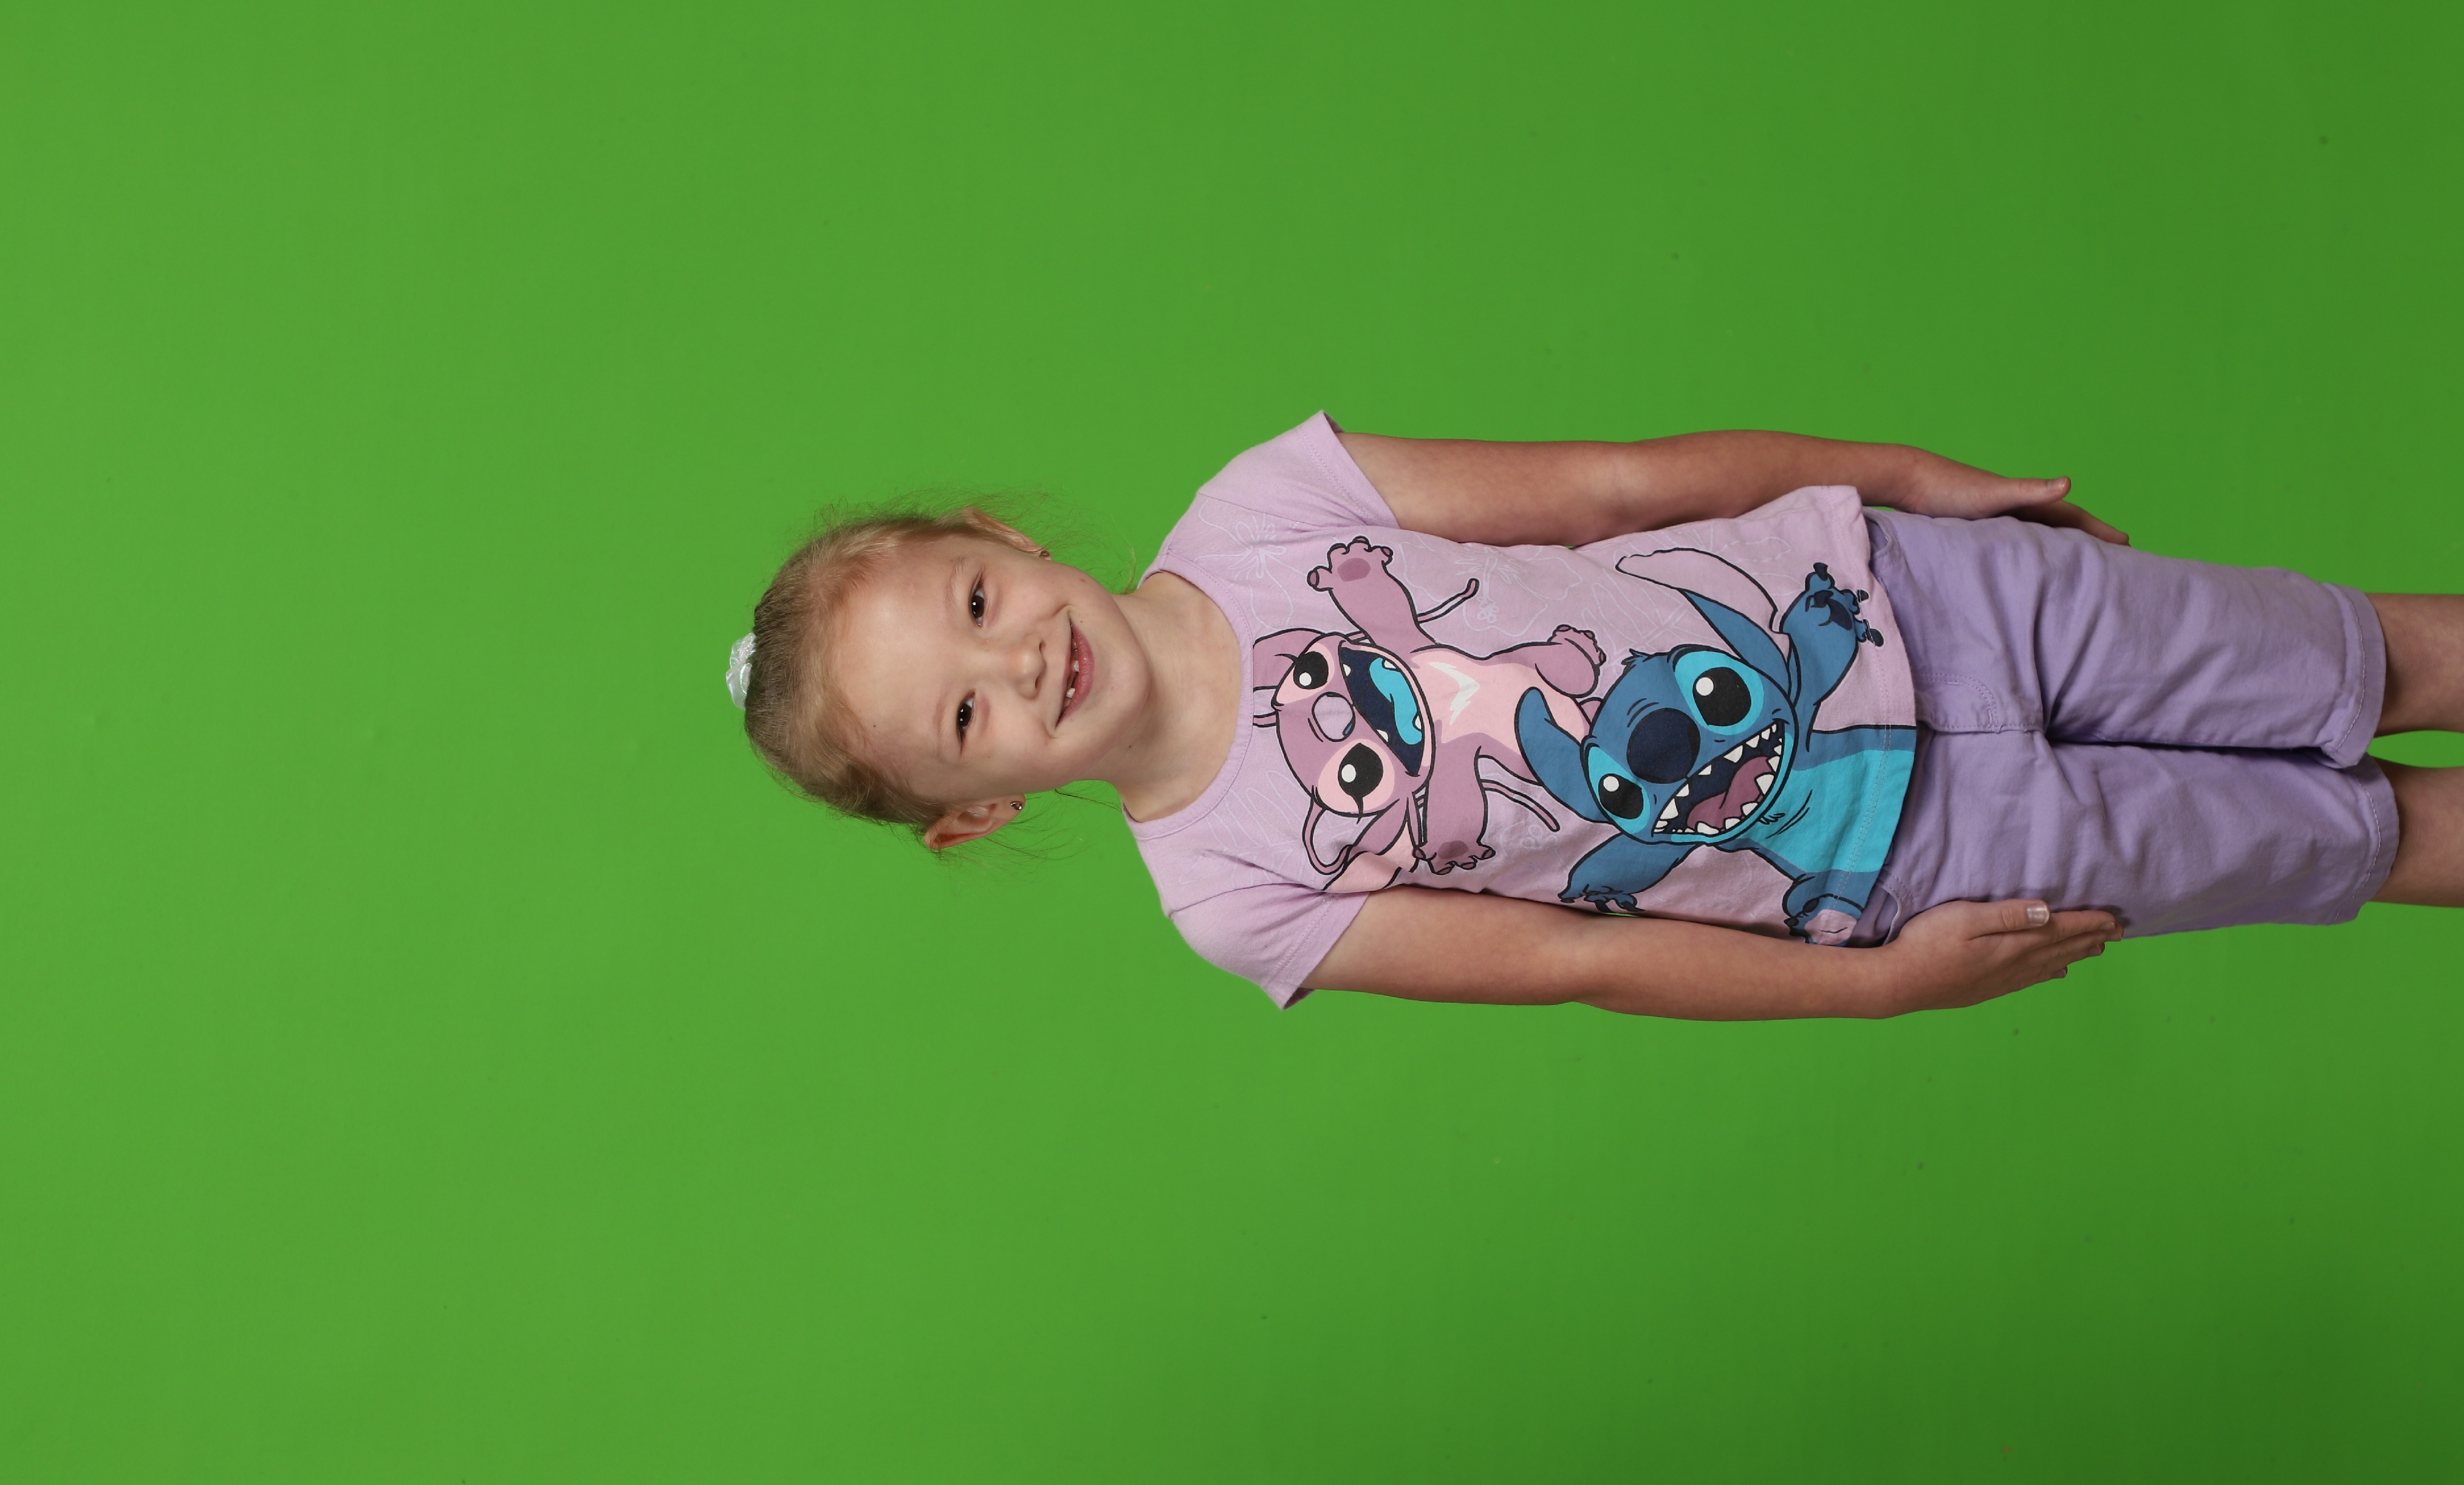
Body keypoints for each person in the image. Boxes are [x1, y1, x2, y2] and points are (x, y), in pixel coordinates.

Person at [728, 415, 2463, 1018]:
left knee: (2373, 659)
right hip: (1912, 854)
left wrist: (1895, 473)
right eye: (966, 719)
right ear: (976, 812)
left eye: (977, 605)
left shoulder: (1266, 501)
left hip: (1921, 596)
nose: (1021, 663)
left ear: (1005, 541)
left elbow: (1613, 486)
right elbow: (1576, 960)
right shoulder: (1230, 894)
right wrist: (1877, 989)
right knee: (2364, 835)